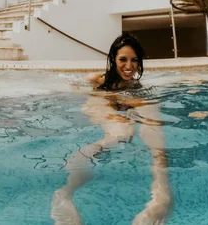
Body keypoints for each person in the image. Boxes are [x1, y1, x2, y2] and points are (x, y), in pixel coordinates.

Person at [51, 33, 173, 225]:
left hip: (127, 99)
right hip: (102, 99)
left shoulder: (137, 87)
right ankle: (64, 194)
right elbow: (77, 88)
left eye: (134, 60)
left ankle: (161, 193)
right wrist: (108, 99)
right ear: (113, 59)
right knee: (121, 134)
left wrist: (126, 102)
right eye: (123, 59)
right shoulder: (98, 79)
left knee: (152, 123)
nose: (129, 66)